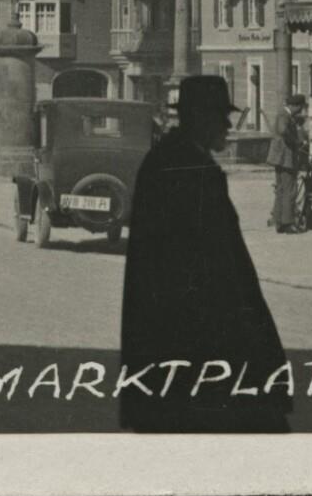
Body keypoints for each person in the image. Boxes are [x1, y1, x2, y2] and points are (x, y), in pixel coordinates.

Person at [119, 73, 291, 432]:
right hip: (196, 327)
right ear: (200, 118)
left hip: (165, 324)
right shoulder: (193, 169)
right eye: (220, 116)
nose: (228, 125)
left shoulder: (165, 158)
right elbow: (221, 263)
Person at [266, 94, 309, 233]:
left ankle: (279, 221)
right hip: (285, 158)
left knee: (281, 189)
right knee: (290, 190)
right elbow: (283, 130)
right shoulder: (284, 115)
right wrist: (296, 141)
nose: (301, 111)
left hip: (279, 158)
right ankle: (287, 223)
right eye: (300, 108)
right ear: (295, 106)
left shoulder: (284, 114)